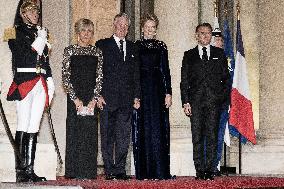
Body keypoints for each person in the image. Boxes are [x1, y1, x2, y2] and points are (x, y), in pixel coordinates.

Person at [6, 0, 54, 182]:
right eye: (32, 11)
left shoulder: (40, 32)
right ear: (23, 13)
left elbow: (44, 60)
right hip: (25, 81)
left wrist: (50, 80)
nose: (36, 14)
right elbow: (25, 55)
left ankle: (30, 169)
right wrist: (41, 38)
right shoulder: (15, 32)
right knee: (23, 124)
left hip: (40, 82)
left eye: (37, 11)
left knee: (34, 126)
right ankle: (20, 172)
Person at [180, 23, 230, 180]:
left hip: (214, 104)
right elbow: (184, 81)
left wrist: (221, 99)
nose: (206, 36)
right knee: (197, 137)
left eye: (208, 33)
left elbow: (226, 79)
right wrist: (185, 102)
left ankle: (209, 169)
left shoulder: (219, 54)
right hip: (195, 103)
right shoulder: (189, 55)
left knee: (212, 136)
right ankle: (200, 169)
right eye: (202, 33)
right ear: (197, 35)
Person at [95, 13, 140, 180]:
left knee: (123, 137)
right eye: (120, 24)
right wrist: (97, 94)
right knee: (107, 137)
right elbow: (96, 72)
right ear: (114, 25)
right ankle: (109, 170)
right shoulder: (102, 44)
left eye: (126, 26)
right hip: (107, 99)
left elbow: (136, 74)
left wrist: (137, 96)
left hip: (126, 100)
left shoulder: (133, 47)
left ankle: (120, 170)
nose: (123, 28)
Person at [62, 18, 103, 180]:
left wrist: (94, 99)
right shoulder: (69, 51)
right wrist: (75, 99)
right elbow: (65, 78)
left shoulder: (97, 52)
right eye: (83, 30)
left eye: (89, 31)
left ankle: (88, 172)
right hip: (75, 100)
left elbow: (100, 77)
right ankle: (73, 172)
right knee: (74, 133)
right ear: (77, 32)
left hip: (91, 99)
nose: (86, 34)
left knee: (90, 135)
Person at [133, 13, 172, 180]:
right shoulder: (136, 45)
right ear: (142, 29)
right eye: (147, 27)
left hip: (157, 92)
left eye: (153, 27)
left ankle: (160, 171)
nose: (150, 30)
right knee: (142, 129)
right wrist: (135, 94)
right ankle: (144, 172)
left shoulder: (161, 46)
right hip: (141, 91)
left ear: (156, 30)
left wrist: (168, 93)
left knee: (158, 129)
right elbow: (133, 71)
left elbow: (165, 71)